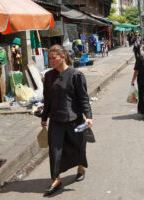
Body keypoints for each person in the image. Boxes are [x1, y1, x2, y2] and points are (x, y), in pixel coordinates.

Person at [41, 45, 93, 196]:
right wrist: (44, 117)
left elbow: (83, 98)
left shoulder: (76, 75)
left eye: (54, 58)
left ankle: (80, 167)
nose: (51, 61)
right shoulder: (49, 76)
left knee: (78, 146)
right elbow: (47, 99)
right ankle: (56, 179)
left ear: (63, 57)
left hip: (74, 119)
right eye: (49, 58)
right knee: (54, 151)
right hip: (56, 120)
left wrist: (88, 116)